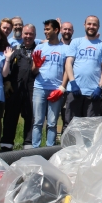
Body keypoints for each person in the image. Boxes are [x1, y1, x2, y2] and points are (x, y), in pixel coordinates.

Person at [64, 16, 102, 125]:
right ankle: (69, 143)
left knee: (89, 126)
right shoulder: (76, 42)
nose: (91, 26)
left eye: (94, 24)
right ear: (84, 25)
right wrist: (72, 82)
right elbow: (68, 63)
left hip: (93, 93)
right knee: (71, 124)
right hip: (75, 90)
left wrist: (100, 87)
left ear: (98, 27)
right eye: (89, 24)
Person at [31, 19, 69, 148]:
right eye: (45, 29)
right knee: (38, 121)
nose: (45, 32)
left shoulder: (65, 49)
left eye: (48, 29)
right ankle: (35, 149)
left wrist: (62, 88)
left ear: (56, 30)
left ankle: (49, 150)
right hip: (39, 88)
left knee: (52, 123)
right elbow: (33, 70)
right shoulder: (40, 47)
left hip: (56, 89)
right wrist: (37, 66)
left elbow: (67, 70)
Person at [0, 24, 38, 151]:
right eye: (26, 33)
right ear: (22, 34)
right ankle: (6, 144)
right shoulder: (14, 49)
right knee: (10, 116)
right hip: (15, 88)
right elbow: (6, 67)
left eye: (31, 34)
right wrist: (7, 82)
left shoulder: (39, 49)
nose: (28, 36)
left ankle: (28, 144)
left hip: (32, 88)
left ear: (35, 35)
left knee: (30, 117)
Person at [0, 17, 14, 153]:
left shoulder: (8, 45)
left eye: (8, 29)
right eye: (4, 27)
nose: (6, 30)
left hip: (1, 86)